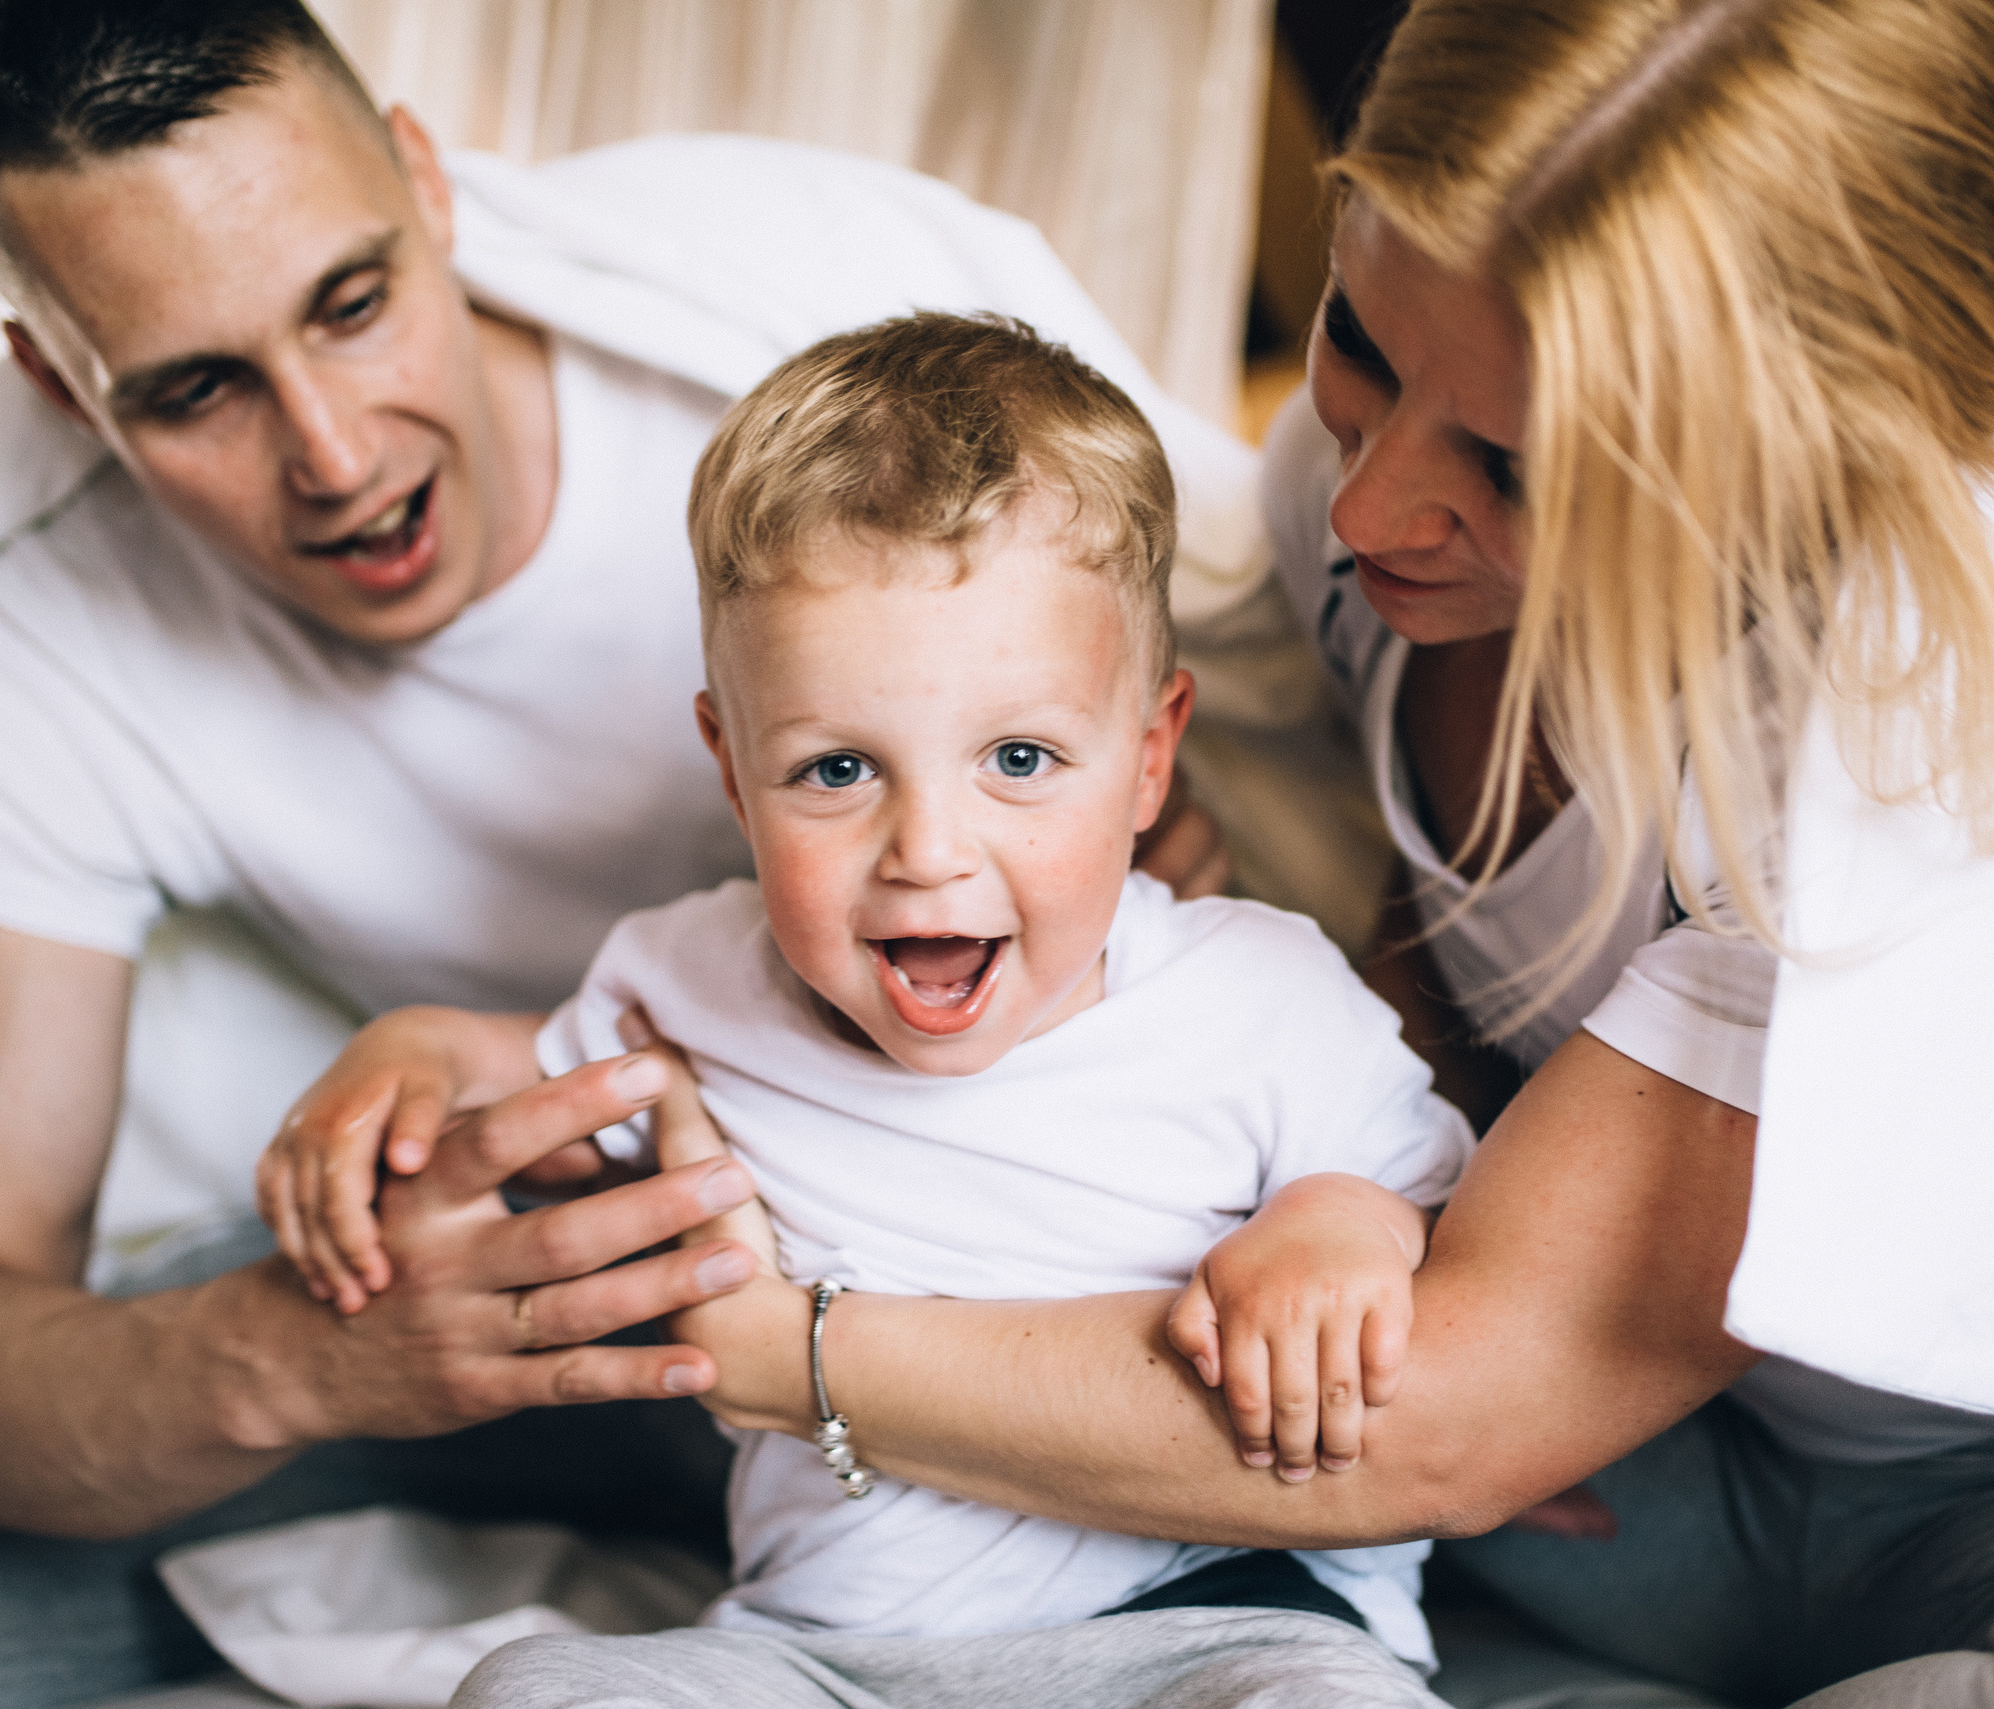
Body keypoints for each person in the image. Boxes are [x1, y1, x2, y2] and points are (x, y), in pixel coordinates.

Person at [445, 2, 1994, 1705]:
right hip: (1650, 1483)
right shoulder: (1366, 547)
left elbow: (1435, 1423)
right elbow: (1411, 952)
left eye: (1514, 463)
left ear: (1811, 467)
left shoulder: (1949, 731)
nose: (1369, 506)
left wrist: (768, 1345)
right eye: (1361, 339)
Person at [0, 3, 1260, 1705]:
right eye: (196, 390)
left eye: (352, 305)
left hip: (962, 1229)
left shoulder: (800, 353)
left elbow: (1209, 658)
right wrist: (305, 1357)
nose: (338, 456)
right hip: (485, 1263)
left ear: (431, 185)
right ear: (56, 385)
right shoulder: (12, 642)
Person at [268, 314, 1470, 1705]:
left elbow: (1426, 1200)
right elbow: (533, 1083)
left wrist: (1336, 1228)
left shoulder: (1256, 994)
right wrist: (414, 1054)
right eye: (838, 769)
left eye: (1019, 757)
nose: (928, 850)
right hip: (820, 1655)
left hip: (1205, 1622)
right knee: (536, 1687)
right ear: (732, 769)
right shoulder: (692, 981)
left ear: (1149, 760)